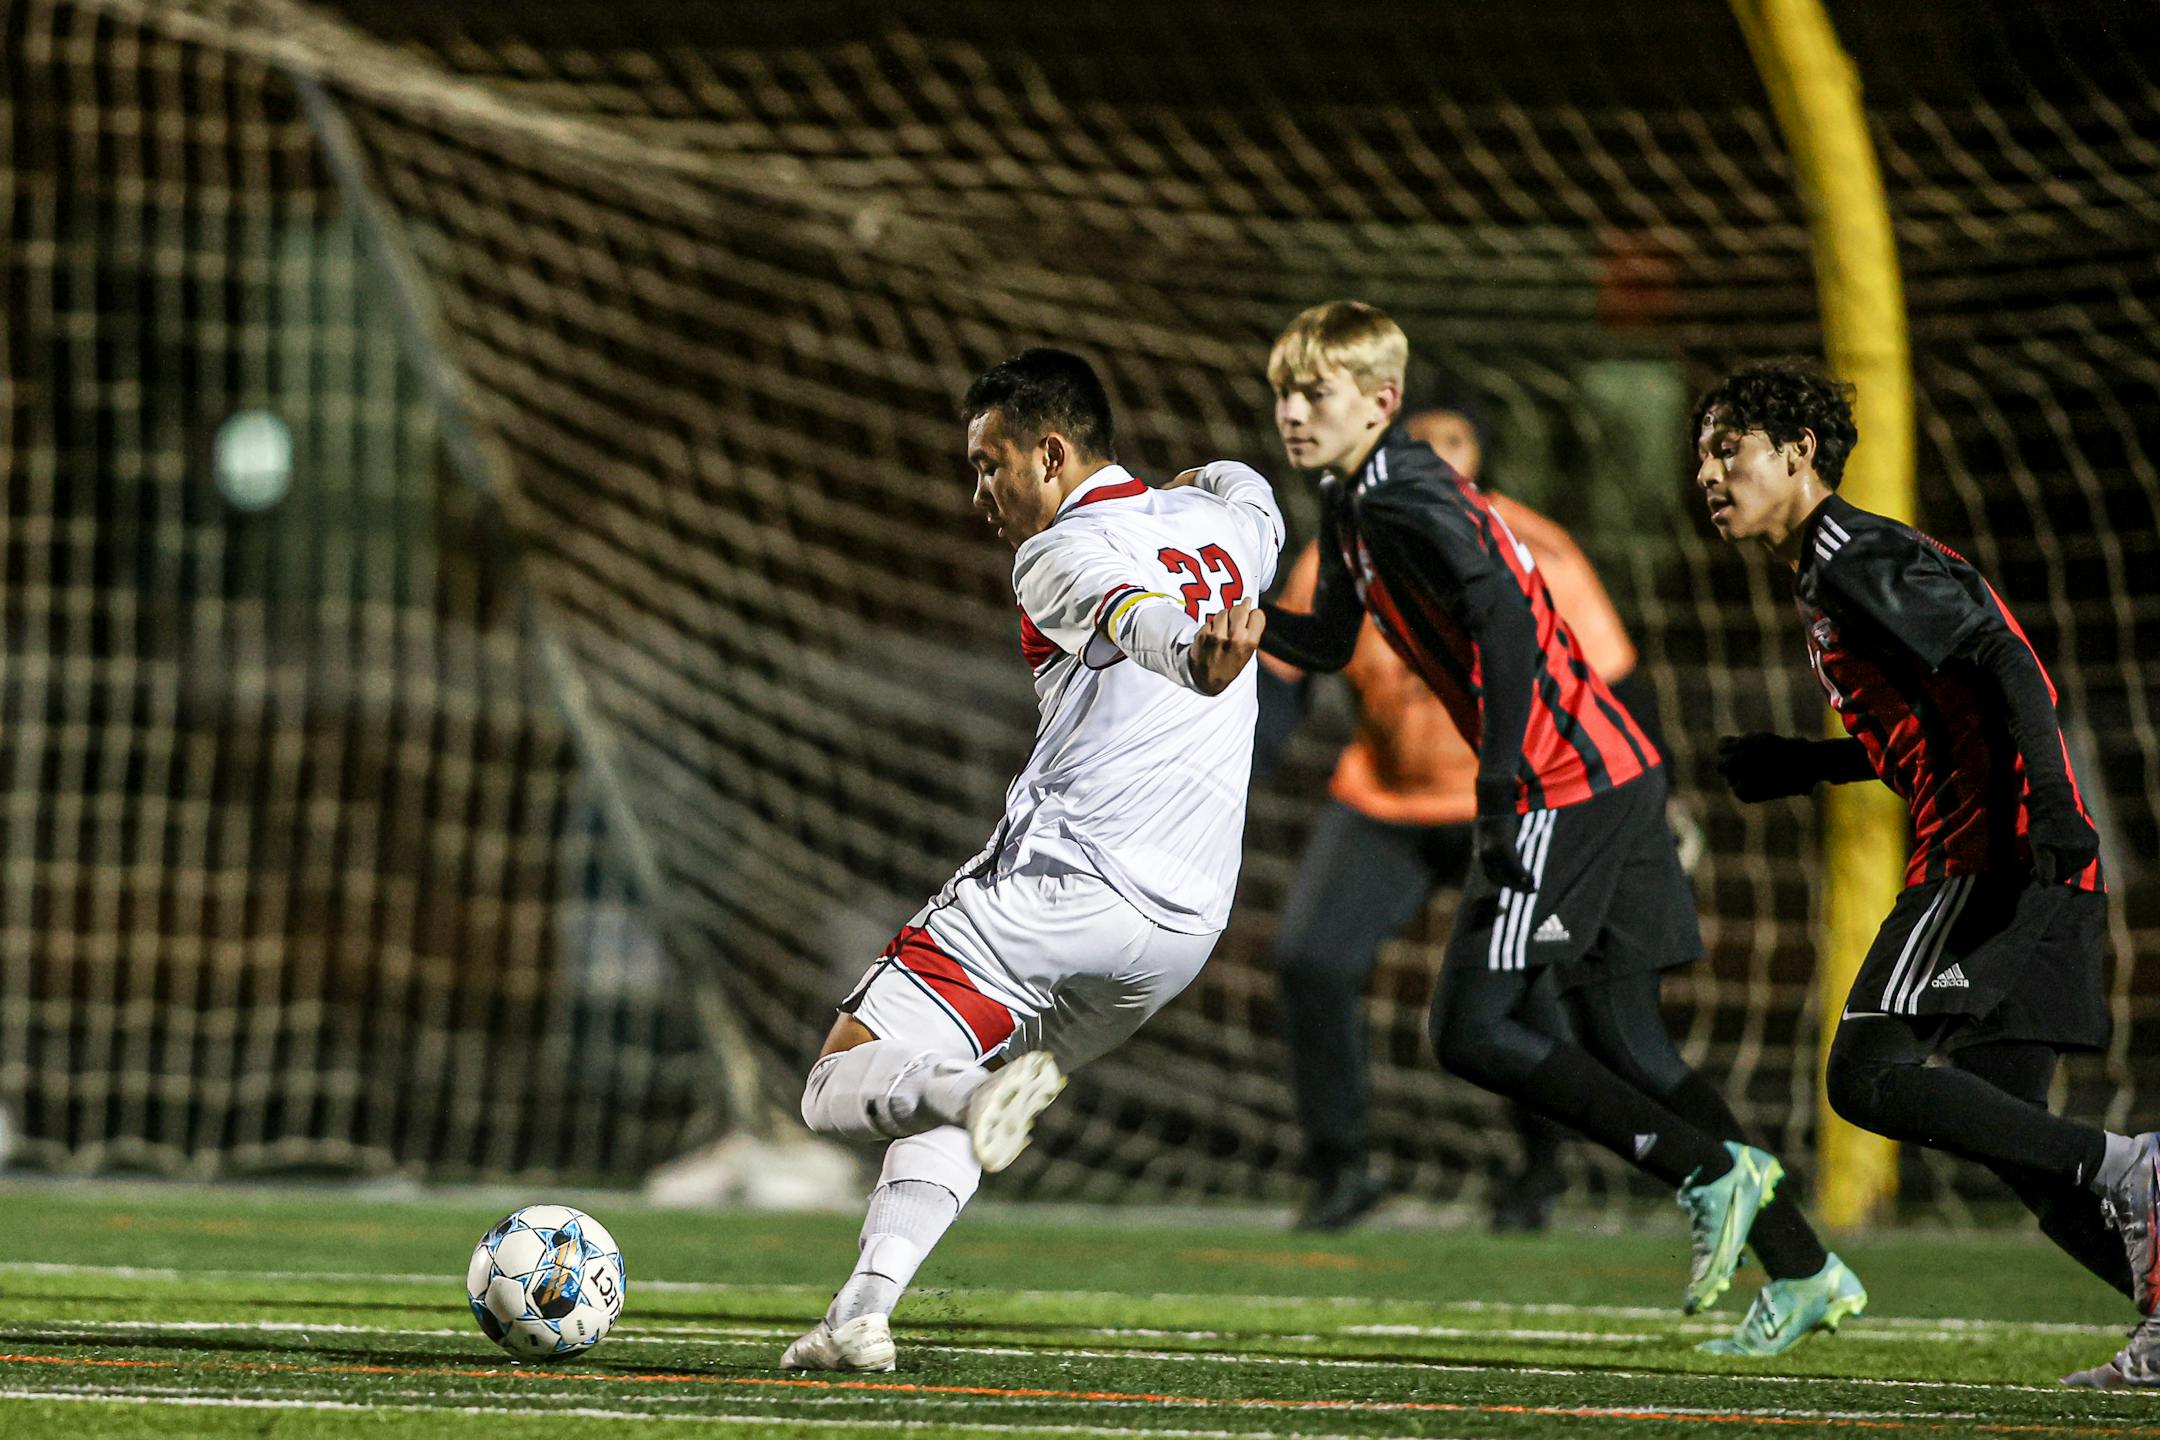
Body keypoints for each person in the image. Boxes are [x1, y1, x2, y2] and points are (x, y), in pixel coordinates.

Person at [1259, 301, 1859, 1355]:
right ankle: (1804, 1264)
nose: (1293, 411)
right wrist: (1236, 618)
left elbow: (1496, 608)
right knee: (1629, 1044)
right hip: (1606, 777)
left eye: (1317, 392)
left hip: (1561, 786)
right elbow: (1322, 640)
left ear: (1383, 402)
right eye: (1283, 392)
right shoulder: (1354, 502)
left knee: (1473, 1028)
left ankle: (1708, 1172)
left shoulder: (1403, 490)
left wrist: (1500, 782)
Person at [780, 348, 1283, 1373]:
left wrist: (1193, 656)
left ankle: (972, 1099)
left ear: (1051, 454)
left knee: (836, 1082)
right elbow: (1255, 489)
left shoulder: (1056, 553)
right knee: (960, 1068)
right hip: (1184, 932)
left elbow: (1131, 620)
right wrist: (1202, 484)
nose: (980, 494)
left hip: (1063, 890)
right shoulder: (1230, 530)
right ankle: (860, 1314)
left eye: (989, 463)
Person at [1695, 360, 2157, 1386]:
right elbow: (1935, 715)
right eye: (1702, 457)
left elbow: (2002, 658)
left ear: (1799, 452)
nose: (1709, 475)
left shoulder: (1850, 552)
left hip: (1992, 856)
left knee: (1865, 1073)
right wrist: (1809, 761)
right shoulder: (1829, 574)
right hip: (2027, 856)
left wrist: (2055, 804)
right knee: (2022, 1148)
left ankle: (2137, 1165)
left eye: (1729, 449)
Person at [1263, 399, 1663, 1233]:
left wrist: (1658, 802)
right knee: (1311, 957)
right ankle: (1341, 1170)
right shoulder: (1352, 536)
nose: (1438, 459)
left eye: (1455, 443)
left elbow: (1618, 681)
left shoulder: (1530, 546)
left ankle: (1541, 1171)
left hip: (1513, 800)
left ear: (1476, 456)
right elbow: (1284, 675)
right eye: (1423, 444)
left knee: (1520, 995)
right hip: (1385, 798)